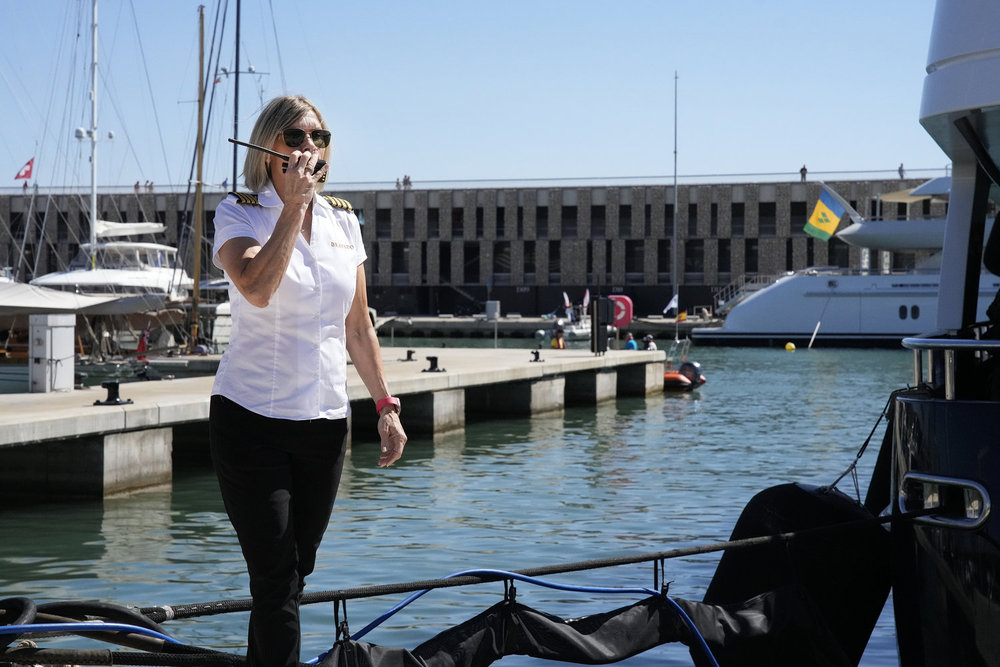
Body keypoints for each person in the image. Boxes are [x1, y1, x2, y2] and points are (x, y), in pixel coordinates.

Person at [208, 95, 407, 667]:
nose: (308, 149)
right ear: (267, 148)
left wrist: (385, 405)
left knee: (295, 574)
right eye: (295, 139)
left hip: (323, 423)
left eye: (317, 138)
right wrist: (293, 209)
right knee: (274, 577)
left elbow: (357, 326)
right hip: (251, 420)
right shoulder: (239, 212)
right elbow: (257, 287)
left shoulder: (345, 221)